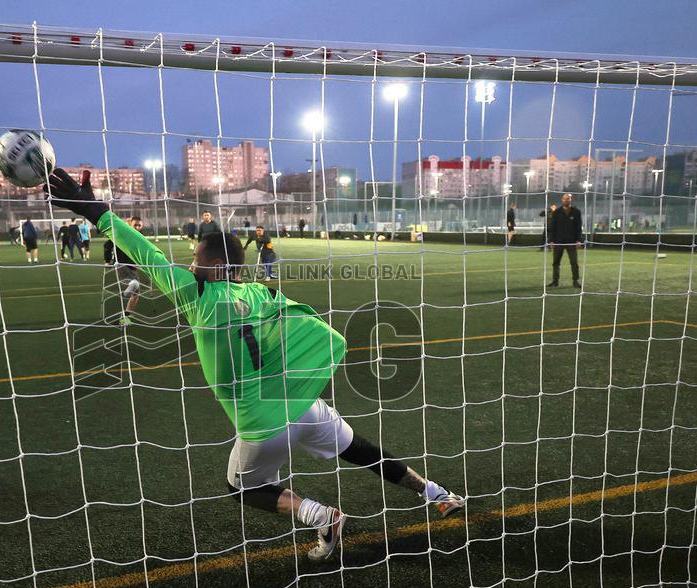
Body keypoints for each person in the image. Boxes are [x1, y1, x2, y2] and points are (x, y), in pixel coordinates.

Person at [46, 168, 465, 561]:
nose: (190, 262)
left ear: (211, 265)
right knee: (361, 450)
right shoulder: (262, 295)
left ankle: (322, 516)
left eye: (195, 256)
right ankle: (436, 492)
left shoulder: (198, 296)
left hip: (262, 426)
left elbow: (145, 252)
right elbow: (305, 323)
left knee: (240, 487)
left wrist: (93, 211)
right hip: (301, 403)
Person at [102, 216, 143, 325]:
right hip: (121, 265)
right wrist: (107, 260)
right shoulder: (123, 234)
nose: (137, 227)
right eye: (135, 225)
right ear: (130, 224)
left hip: (132, 267)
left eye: (139, 225)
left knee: (136, 293)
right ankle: (125, 296)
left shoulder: (139, 236)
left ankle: (125, 316)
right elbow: (108, 244)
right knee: (134, 286)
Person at [546, 193, 583, 289]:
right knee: (556, 262)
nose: (566, 200)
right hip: (559, 241)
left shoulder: (576, 212)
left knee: (574, 262)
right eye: (564, 198)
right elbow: (552, 227)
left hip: (572, 242)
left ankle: (575, 281)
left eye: (568, 198)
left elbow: (579, 227)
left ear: (571, 200)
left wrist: (579, 240)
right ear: (562, 200)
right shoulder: (557, 212)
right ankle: (555, 281)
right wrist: (551, 241)